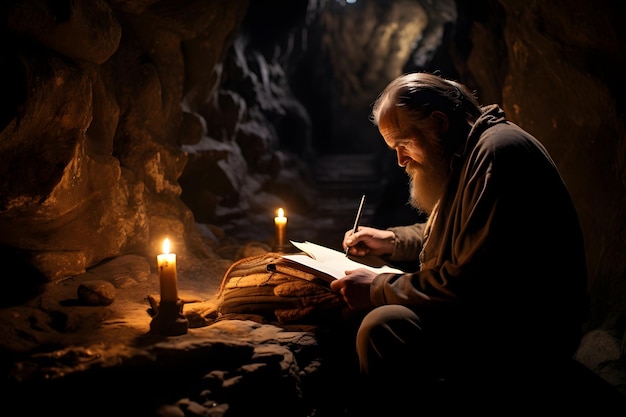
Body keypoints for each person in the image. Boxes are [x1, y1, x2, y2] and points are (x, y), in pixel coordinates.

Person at [329, 72, 591, 414]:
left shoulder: (497, 156)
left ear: (438, 123)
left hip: (520, 336)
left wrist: (378, 287)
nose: (401, 160)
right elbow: (454, 229)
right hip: (489, 316)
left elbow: (471, 283)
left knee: (382, 326)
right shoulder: (467, 156)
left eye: (403, 144)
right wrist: (391, 241)